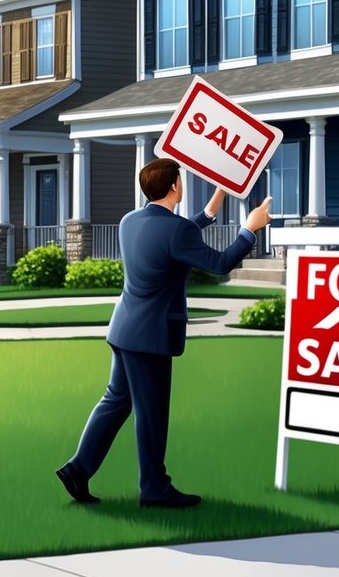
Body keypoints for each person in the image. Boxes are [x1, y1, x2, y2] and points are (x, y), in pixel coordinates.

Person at [56, 157, 272, 508]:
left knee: (115, 402)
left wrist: (214, 202)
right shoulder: (176, 232)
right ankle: (154, 489)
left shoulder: (131, 221)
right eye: (181, 179)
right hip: (152, 336)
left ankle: (77, 469)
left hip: (125, 328)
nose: (183, 183)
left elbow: (175, 235)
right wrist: (250, 228)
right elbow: (218, 263)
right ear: (174, 185)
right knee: (151, 414)